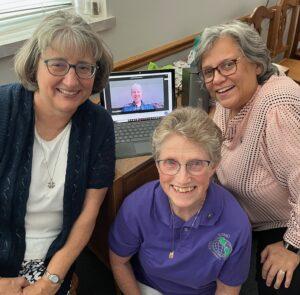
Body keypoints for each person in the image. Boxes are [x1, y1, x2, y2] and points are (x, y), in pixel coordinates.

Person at [0, 10, 115, 295]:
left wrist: (51, 281)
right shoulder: (4, 109)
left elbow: (89, 212)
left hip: (54, 262)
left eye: (84, 67)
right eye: (58, 65)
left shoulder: (98, 124)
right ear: (34, 65)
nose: (72, 81)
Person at [196, 20, 300, 294]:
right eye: (209, 71)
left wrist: (292, 245)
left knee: (278, 282)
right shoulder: (226, 102)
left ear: (256, 64)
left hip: (286, 222)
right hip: (244, 216)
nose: (217, 79)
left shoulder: (276, 107)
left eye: (228, 65)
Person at [109, 107, 252, 295]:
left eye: (196, 163)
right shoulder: (136, 207)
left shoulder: (236, 225)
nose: (182, 178)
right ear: (157, 165)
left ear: (214, 166)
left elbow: (227, 288)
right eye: (170, 162)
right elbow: (119, 261)